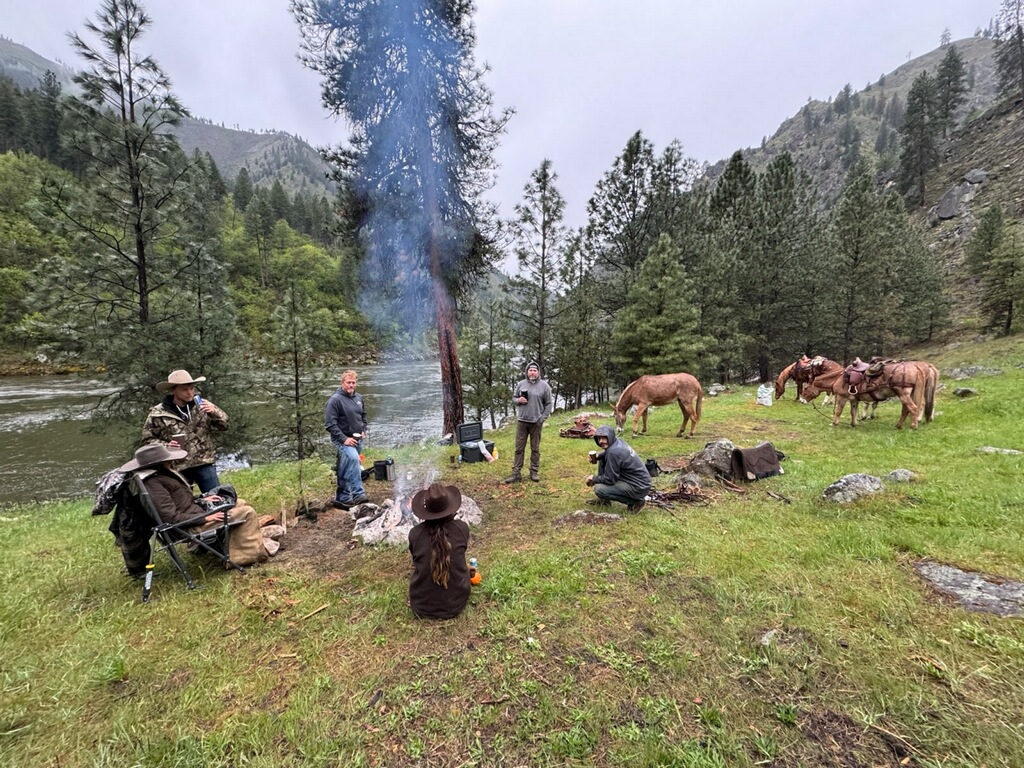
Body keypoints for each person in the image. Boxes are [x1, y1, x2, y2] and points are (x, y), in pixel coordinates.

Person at [120, 443, 279, 565]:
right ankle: (244, 557)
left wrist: (200, 499)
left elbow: (177, 501)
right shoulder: (154, 483)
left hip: (193, 514)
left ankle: (231, 544)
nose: (172, 459)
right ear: (160, 461)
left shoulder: (160, 475)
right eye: (168, 458)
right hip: (187, 526)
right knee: (247, 512)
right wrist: (205, 519)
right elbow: (170, 517)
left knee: (238, 503)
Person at [142, 369, 228, 494]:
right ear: (173, 390)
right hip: (177, 466)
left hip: (203, 461)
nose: (190, 392)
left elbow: (224, 425)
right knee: (185, 506)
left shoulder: (202, 405)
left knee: (218, 499)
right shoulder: (158, 413)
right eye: (185, 389)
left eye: (192, 388)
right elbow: (147, 441)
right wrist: (167, 446)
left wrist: (214, 412)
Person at [408, 483, 471, 620]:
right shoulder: (462, 529)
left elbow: (417, 559)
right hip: (456, 603)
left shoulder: (415, 534)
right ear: (450, 508)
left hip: (422, 606)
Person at [325, 369, 369, 509]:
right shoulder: (335, 400)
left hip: (357, 438)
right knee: (354, 460)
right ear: (342, 383)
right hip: (342, 439)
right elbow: (330, 424)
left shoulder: (358, 398)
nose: (351, 385)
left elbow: (363, 417)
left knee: (346, 467)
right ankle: (358, 494)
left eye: (353, 383)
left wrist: (363, 430)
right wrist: (344, 439)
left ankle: (343, 497)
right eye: (348, 382)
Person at [503, 361, 554, 484]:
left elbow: (548, 404)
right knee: (519, 449)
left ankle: (534, 471)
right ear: (527, 372)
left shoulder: (544, 386)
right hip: (522, 421)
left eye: (534, 370)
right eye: (530, 370)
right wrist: (518, 400)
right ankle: (516, 474)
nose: (532, 372)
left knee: (535, 448)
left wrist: (542, 418)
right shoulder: (521, 384)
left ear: (538, 372)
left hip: (536, 423)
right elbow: (514, 398)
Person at [585, 425, 652, 512]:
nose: (601, 441)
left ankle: (635, 502)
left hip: (638, 487)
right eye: (599, 438)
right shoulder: (617, 442)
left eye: (604, 438)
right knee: (602, 460)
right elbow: (607, 453)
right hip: (641, 481)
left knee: (600, 489)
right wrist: (598, 456)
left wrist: (593, 478)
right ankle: (604, 501)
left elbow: (610, 479)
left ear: (610, 437)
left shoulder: (613, 453)